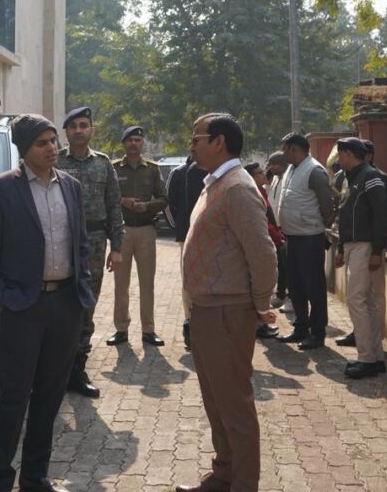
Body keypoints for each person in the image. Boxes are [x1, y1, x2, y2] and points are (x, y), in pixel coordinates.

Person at [0, 114, 96, 492]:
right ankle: (0, 479)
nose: (51, 148)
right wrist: (0, 298)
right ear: (24, 149)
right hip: (22, 307)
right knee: (13, 397)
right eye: (42, 143)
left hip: (66, 305)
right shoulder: (0, 189)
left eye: (53, 141)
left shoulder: (71, 186)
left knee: (49, 395)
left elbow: (81, 243)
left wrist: (82, 289)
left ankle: (34, 476)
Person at [176, 113, 277, 492]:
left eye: (196, 138)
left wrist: (261, 303)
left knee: (233, 404)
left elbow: (262, 252)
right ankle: (224, 475)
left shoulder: (237, 187)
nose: (192, 146)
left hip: (227, 311)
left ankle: (243, 483)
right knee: (216, 401)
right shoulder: (216, 183)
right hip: (207, 309)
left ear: (219, 142)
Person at [57, 106, 125, 397]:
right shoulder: (56, 160)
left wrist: (117, 247)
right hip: (61, 240)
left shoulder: (103, 163)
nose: (78, 130)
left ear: (91, 130)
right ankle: (55, 369)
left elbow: (114, 206)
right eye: (73, 126)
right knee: (60, 302)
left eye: (83, 125)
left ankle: (77, 368)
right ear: (66, 132)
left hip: (95, 242)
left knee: (87, 302)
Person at [333, 137, 387, 379]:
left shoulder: (370, 176)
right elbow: (344, 215)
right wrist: (340, 248)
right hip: (353, 245)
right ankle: (375, 357)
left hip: (365, 246)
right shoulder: (349, 178)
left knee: (358, 300)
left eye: (340, 153)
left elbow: (382, 214)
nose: (338, 158)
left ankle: (367, 358)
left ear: (349, 153)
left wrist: (377, 250)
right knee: (365, 301)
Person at [108, 125, 169, 347]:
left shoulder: (152, 169)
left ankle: (148, 330)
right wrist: (122, 201)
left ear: (142, 143)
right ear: (124, 143)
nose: (133, 143)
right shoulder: (113, 168)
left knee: (147, 283)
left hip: (146, 231)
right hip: (122, 231)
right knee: (120, 283)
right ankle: (121, 329)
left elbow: (164, 198)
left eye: (137, 140)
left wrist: (147, 206)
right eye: (130, 140)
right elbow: (106, 197)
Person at [274, 133, 336, 350]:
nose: (283, 153)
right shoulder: (292, 169)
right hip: (293, 236)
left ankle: (317, 332)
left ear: (295, 149)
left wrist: (320, 226)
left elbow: (327, 205)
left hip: (310, 237)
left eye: (285, 149)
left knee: (313, 287)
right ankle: (301, 327)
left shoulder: (314, 170)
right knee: (296, 285)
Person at [168, 152, 207, 349]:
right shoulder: (179, 172)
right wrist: (181, 226)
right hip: (187, 234)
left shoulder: (216, 171)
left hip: (206, 235)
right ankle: (191, 326)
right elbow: (170, 203)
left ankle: (200, 327)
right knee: (190, 281)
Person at [245, 162, 283, 339]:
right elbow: (263, 222)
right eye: (259, 173)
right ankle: (259, 324)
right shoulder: (253, 194)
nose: (263, 174)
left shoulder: (261, 191)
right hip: (263, 243)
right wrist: (278, 237)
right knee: (260, 285)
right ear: (252, 177)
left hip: (270, 240)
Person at [265, 152, 292, 313]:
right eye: (271, 164)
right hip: (277, 228)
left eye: (275, 164)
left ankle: (290, 298)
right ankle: (281, 294)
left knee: (289, 266)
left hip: (287, 228)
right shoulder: (275, 179)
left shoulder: (288, 178)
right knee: (281, 265)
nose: (272, 167)